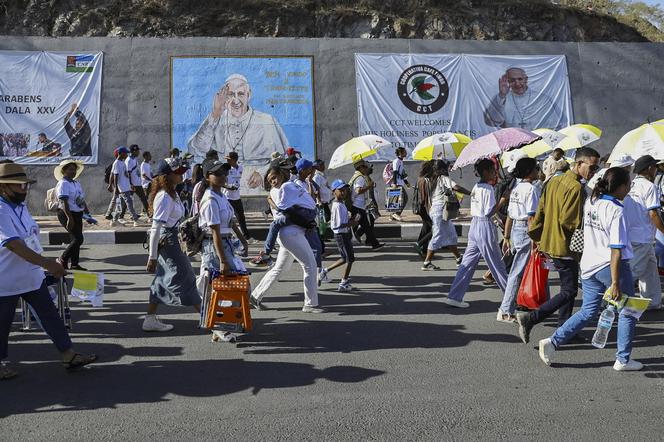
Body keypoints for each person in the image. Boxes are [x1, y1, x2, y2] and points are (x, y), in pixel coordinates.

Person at [538, 167, 643, 371]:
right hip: (610, 266)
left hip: (588, 264)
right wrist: (614, 282)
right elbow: (616, 249)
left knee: (588, 311)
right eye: (628, 185)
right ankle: (623, 359)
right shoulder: (616, 210)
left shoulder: (592, 201)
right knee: (629, 310)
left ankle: (553, 341)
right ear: (621, 187)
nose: (629, 189)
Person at [0, 162, 96, 379]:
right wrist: (47, 264)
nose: (24, 189)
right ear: (3, 187)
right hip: (5, 279)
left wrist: (45, 262)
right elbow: (14, 245)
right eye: (19, 186)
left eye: (25, 185)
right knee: (2, 324)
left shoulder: (21, 207)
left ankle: (68, 354)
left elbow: (29, 238)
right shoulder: (0, 209)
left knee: (50, 315)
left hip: (30, 275)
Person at [516, 147, 601, 343]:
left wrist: (537, 236)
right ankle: (532, 318)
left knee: (567, 287)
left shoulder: (554, 180)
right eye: (592, 167)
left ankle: (565, 328)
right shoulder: (576, 188)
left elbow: (541, 210)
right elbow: (569, 221)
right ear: (579, 164)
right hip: (566, 245)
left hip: (550, 241)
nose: (594, 172)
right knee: (569, 290)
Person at [187, 74, 289, 193]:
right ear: (224, 97)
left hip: (257, 189)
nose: (235, 100)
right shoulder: (215, 119)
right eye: (230, 94)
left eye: (240, 94)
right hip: (224, 188)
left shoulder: (266, 121)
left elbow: (281, 158)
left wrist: (262, 173)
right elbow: (197, 149)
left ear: (248, 94)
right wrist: (215, 112)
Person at [250, 165, 324, 313]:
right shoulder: (284, 188)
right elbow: (290, 213)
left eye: (274, 177)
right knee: (309, 265)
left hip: (289, 234)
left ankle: (255, 295)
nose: (273, 181)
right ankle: (310, 304)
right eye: (270, 180)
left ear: (281, 175)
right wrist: (307, 223)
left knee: (280, 268)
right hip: (292, 233)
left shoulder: (285, 188)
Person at [441, 159, 508, 308]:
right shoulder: (488, 189)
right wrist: (503, 200)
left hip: (475, 226)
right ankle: (512, 300)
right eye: (492, 170)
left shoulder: (477, 186)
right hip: (484, 226)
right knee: (497, 265)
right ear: (485, 172)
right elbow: (489, 212)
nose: (495, 173)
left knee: (467, 264)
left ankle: (454, 296)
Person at [144, 158, 201, 332]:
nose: (182, 174)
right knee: (187, 277)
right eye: (178, 172)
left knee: (162, 279)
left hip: (173, 238)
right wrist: (152, 257)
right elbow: (155, 228)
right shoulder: (164, 197)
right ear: (167, 176)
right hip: (168, 240)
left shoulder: (172, 193)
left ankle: (149, 319)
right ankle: (207, 317)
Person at [197, 161, 248, 342]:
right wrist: (223, 260)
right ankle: (217, 326)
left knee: (226, 286)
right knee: (217, 287)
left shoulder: (221, 195)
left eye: (224, 172)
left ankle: (219, 325)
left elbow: (231, 222)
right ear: (207, 176)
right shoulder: (210, 199)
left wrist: (243, 240)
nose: (222, 175)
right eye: (217, 173)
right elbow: (215, 231)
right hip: (214, 246)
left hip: (226, 244)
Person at [497, 157, 541, 322]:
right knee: (517, 271)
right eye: (537, 167)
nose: (538, 170)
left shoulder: (516, 188)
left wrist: (507, 236)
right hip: (525, 230)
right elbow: (531, 218)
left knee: (534, 267)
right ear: (530, 171)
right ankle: (505, 310)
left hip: (516, 228)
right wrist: (535, 239)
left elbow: (510, 215)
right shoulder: (531, 189)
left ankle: (542, 305)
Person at [623, 155, 663, 311]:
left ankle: (652, 301)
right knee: (633, 272)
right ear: (649, 169)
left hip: (632, 235)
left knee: (650, 271)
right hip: (642, 237)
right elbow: (653, 214)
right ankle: (610, 301)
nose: (656, 170)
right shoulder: (649, 186)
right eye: (655, 167)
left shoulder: (630, 184)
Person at [422, 160, 470, 270]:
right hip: (440, 211)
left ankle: (459, 258)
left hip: (437, 210)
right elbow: (456, 187)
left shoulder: (431, 179)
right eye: (447, 167)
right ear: (443, 168)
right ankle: (427, 262)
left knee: (451, 234)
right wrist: (471, 193)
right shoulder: (443, 178)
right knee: (438, 235)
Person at [483, 67, 563, 130]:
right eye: (512, 80)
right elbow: (492, 121)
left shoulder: (541, 99)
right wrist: (502, 95)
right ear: (508, 82)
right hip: (513, 145)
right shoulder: (502, 98)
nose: (517, 84)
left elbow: (554, 125)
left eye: (520, 79)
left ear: (526, 79)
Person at [318, 180, 358, 292]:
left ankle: (325, 271)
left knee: (345, 258)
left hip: (342, 234)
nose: (344, 192)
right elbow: (339, 224)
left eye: (345, 190)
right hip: (341, 235)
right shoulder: (338, 206)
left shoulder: (341, 204)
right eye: (340, 190)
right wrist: (352, 223)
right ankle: (343, 282)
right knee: (350, 259)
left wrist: (350, 219)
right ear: (334, 192)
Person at [54, 159, 90, 271]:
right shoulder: (63, 183)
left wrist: (86, 210)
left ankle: (74, 263)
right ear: (64, 171)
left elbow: (81, 198)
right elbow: (64, 202)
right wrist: (69, 218)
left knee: (75, 238)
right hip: (66, 213)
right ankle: (63, 259)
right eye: (70, 169)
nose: (73, 172)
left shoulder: (76, 183)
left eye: (74, 169)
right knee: (79, 239)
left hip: (77, 213)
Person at [350, 160, 384, 250]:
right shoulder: (360, 178)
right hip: (358, 206)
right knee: (363, 225)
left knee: (366, 226)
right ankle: (373, 244)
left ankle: (373, 243)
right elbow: (358, 190)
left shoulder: (359, 176)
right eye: (365, 167)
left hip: (359, 206)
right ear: (360, 168)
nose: (367, 168)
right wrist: (369, 186)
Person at [223, 151, 253, 241]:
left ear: (234, 160)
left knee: (241, 217)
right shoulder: (226, 169)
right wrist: (228, 186)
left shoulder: (240, 168)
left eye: (229, 160)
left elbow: (240, 180)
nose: (227, 161)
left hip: (236, 196)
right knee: (227, 217)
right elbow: (222, 182)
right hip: (227, 197)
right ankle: (227, 236)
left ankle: (246, 236)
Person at [108, 146, 141, 227]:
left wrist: (130, 184)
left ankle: (114, 221)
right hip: (122, 187)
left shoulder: (122, 162)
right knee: (129, 202)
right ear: (121, 153)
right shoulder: (116, 163)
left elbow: (126, 174)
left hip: (126, 186)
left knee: (121, 205)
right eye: (125, 153)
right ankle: (135, 220)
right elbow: (115, 175)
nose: (127, 154)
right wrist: (115, 187)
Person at [414, 161, 435, 257]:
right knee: (434, 228)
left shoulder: (419, 179)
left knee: (426, 227)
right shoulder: (425, 180)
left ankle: (422, 248)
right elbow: (424, 197)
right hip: (424, 207)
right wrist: (429, 208)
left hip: (420, 207)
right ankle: (420, 243)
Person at [126, 144, 150, 216]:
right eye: (137, 151)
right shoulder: (129, 160)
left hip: (137, 183)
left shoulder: (134, 159)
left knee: (141, 199)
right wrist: (130, 184)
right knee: (128, 200)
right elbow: (128, 173)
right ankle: (149, 214)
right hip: (133, 184)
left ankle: (149, 214)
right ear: (134, 151)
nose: (139, 152)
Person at [389, 147, 410, 222]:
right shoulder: (396, 161)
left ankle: (392, 215)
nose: (406, 153)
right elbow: (395, 172)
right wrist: (394, 183)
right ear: (400, 153)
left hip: (400, 183)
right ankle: (396, 213)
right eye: (404, 152)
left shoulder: (401, 161)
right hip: (397, 184)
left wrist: (407, 183)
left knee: (397, 200)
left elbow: (402, 174)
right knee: (404, 198)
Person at [312, 159, 333, 223]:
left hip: (325, 202)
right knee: (325, 219)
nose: (324, 166)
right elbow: (316, 189)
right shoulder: (317, 177)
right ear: (317, 167)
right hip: (321, 203)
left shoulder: (321, 175)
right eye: (322, 165)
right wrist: (319, 201)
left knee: (327, 218)